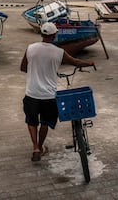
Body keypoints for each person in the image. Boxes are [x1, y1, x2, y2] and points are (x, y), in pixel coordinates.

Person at [20, 22, 95, 162]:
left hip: (32, 93)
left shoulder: (30, 48)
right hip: (48, 96)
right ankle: (41, 146)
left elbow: (23, 67)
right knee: (45, 122)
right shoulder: (59, 52)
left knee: (31, 121)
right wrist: (89, 63)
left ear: (42, 34)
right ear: (54, 35)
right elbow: (75, 62)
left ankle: (35, 147)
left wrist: (35, 72)